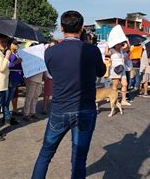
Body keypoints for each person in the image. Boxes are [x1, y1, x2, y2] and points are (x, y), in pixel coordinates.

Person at [32, 11, 106, 178]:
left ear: (61, 27)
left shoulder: (50, 52)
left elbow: (53, 72)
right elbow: (101, 72)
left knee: (45, 154)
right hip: (85, 110)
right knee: (79, 159)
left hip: (59, 109)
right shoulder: (92, 50)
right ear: (81, 28)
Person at [106, 42, 132, 106]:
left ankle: (124, 100)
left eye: (120, 44)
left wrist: (127, 41)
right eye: (118, 44)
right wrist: (107, 45)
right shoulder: (112, 50)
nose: (120, 45)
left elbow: (128, 47)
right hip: (115, 70)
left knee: (125, 84)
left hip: (122, 69)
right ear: (115, 45)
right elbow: (106, 53)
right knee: (115, 85)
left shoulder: (121, 50)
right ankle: (114, 100)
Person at [23, 42, 44, 121]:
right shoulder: (27, 56)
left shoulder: (41, 56)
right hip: (31, 79)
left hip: (39, 79)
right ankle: (26, 114)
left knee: (35, 96)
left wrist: (44, 76)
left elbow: (43, 66)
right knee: (29, 97)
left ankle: (33, 112)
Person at [4, 39, 22, 125]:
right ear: (9, 44)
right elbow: (7, 65)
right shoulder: (8, 53)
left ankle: (7, 117)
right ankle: (7, 118)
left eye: (17, 44)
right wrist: (16, 62)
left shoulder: (16, 53)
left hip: (16, 79)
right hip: (10, 78)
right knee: (7, 99)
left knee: (10, 98)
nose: (17, 45)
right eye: (15, 44)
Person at [42, 40, 58, 115]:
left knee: (56, 93)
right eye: (50, 46)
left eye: (53, 46)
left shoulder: (59, 54)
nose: (51, 47)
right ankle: (44, 107)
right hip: (48, 76)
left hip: (57, 76)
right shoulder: (46, 53)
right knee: (47, 93)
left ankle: (55, 108)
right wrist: (44, 74)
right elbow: (44, 64)